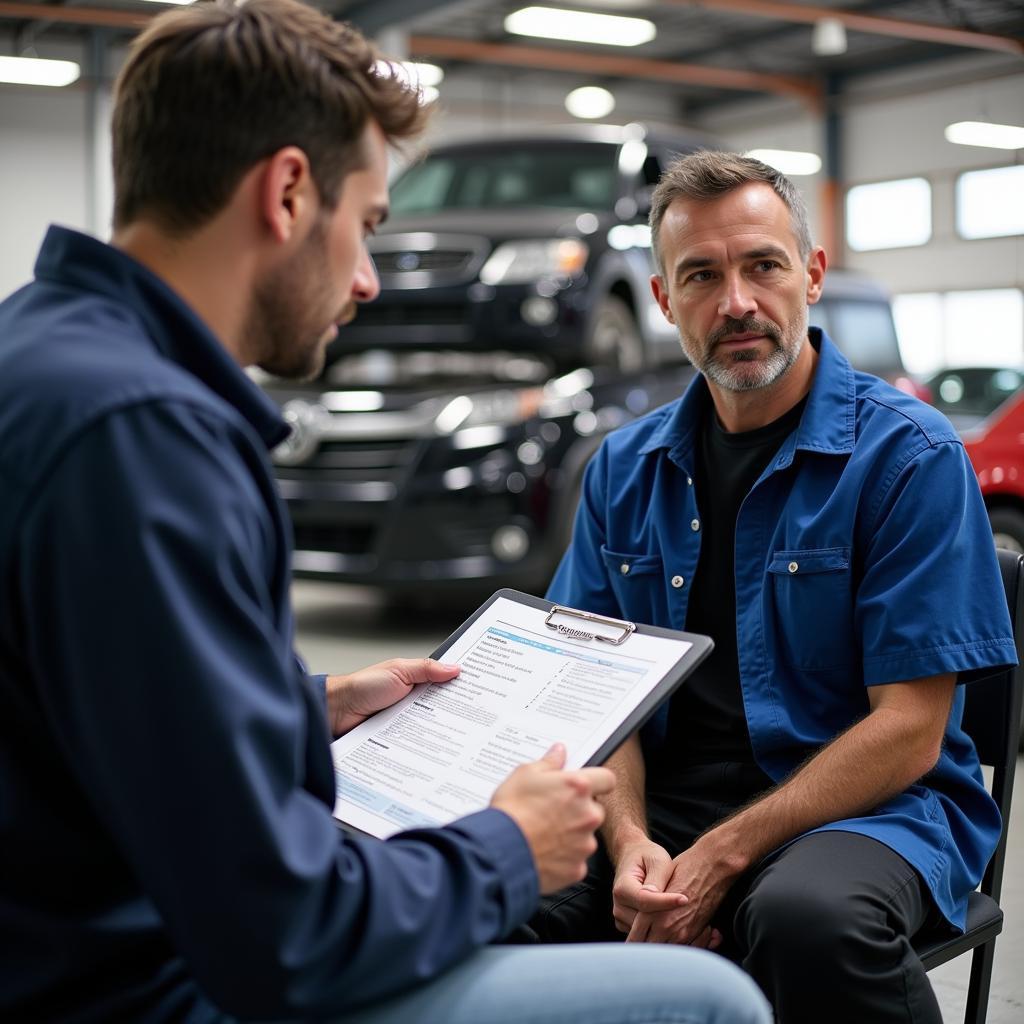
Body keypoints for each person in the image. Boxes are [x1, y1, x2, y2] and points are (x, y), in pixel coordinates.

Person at [0, 3, 774, 1023]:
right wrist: (506, 846)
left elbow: (95, 706)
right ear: (285, 192)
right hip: (139, 990)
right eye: (366, 224)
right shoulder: (149, 436)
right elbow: (288, 938)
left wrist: (303, 708)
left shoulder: (38, 353)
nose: (367, 279)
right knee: (709, 1001)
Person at [532, 150, 1017, 1024]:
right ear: (663, 300)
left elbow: (910, 730)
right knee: (487, 889)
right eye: (702, 276)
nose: (738, 303)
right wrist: (634, 840)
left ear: (813, 274)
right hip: (669, 802)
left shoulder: (909, 457)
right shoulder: (621, 470)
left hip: (872, 809)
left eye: (763, 265)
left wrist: (721, 855)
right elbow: (599, 700)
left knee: (806, 921)